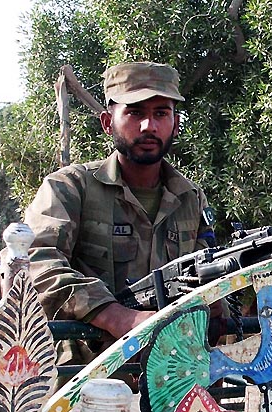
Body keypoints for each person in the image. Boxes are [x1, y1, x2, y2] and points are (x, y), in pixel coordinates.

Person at [23, 61, 217, 364]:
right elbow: (38, 263)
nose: (148, 126)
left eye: (160, 114)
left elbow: (209, 273)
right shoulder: (70, 188)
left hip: (175, 374)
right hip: (84, 376)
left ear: (175, 124)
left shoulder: (191, 198)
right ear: (107, 122)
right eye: (135, 112)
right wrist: (117, 317)